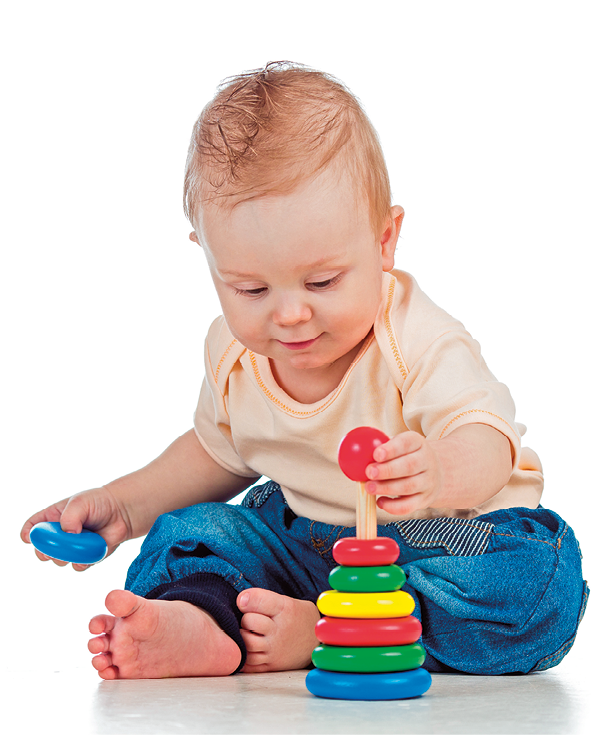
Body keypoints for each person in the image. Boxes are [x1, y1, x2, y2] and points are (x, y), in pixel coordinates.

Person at [21, 62, 588, 680]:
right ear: (208, 259)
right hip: (307, 550)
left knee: (538, 576)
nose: (289, 315)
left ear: (384, 241)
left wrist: (443, 470)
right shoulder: (234, 357)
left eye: (322, 281)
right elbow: (216, 456)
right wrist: (125, 509)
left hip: (438, 545)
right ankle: (205, 622)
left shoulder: (416, 338)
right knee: (193, 534)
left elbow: (490, 440)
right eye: (250, 288)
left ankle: (343, 629)